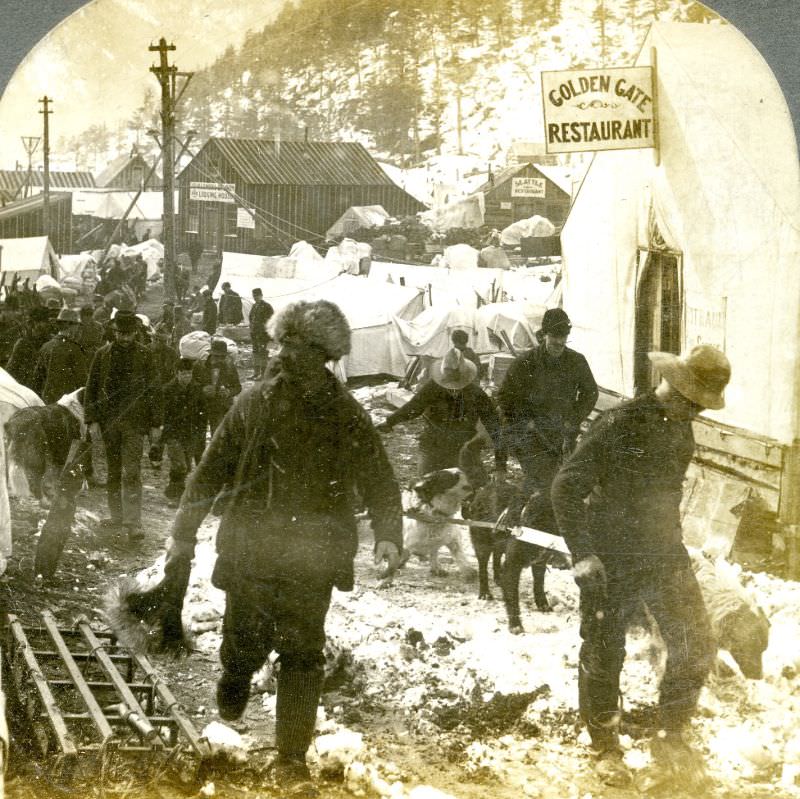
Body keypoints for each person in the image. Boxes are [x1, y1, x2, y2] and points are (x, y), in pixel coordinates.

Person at [160, 299, 402, 795]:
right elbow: (211, 469)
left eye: (300, 349)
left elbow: (379, 477)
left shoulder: (346, 413)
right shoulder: (253, 402)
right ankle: (230, 704)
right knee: (242, 645)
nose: (287, 357)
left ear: (325, 355)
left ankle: (290, 758)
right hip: (252, 548)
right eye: (284, 346)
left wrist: (388, 535)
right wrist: (183, 532)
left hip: (313, 556)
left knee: (301, 653)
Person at [550, 345, 732, 791]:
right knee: (604, 648)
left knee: (696, 642)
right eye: (689, 400)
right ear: (670, 383)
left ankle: (670, 736)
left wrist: (676, 551)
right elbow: (565, 487)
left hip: (664, 556)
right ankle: (604, 745)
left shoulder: (681, 432)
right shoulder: (619, 422)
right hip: (611, 558)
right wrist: (583, 553)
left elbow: (665, 500)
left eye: (700, 406)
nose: (693, 412)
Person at [497, 308, 598, 497]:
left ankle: (530, 512)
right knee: (545, 480)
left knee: (557, 480)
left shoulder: (576, 361)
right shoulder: (525, 362)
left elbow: (590, 393)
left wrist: (574, 419)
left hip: (561, 431)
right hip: (529, 434)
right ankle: (526, 516)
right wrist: (525, 420)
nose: (559, 342)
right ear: (544, 335)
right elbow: (504, 397)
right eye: (554, 336)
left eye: (564, 336)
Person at [84, 310, 162, 542]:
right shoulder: (102, 355)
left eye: (129, 334)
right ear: (114, 331)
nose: (125, 338)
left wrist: (156, 423)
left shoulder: (145, 355)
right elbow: (92, 388)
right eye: (121, 333)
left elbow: (155, 391)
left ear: (136, 332)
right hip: (109, 423)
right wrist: (92, 420)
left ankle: (133, 522)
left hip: (135, 424)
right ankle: (117, 516)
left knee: (132, 471)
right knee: (114, 472)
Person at [377, 347, 506, 477]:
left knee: (470, 487)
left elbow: (495, 427)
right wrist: (390, 422)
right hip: (433, 444)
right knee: (426, 486)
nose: (452, 389)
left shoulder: (476, 394)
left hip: (463, 446)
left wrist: (501, 466)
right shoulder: (432, 388)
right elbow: (413, 407)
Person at [161, 358, 206, 503]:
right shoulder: (167, 390)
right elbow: (163, 415)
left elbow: (202, 413)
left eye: (189, 374)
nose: (187, 377)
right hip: (173, 433)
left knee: (185, 466)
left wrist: (200, 433)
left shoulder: (197, 389)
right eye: (184, 374)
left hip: (191, 433)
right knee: (180, 465)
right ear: (177, 373)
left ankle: (172, 490)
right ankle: (175, 496)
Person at [31, 308, 89, 404]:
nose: (78, 328)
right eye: (77, 325)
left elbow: (37, 377)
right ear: (70, 325)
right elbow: (82, 380)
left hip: (47, 399)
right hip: (68, 402)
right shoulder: (74, 349)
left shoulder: (46, 346)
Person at [193, 339, 242, 433]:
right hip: (201, 404)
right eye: (216, 356)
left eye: (222, 357)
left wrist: (228, 392)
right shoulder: (199, 365)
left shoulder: (229, 366)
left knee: (219, 436)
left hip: (220, 406)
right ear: (211, 353)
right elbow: (191, 385)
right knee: (198, 437)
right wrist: (202, 390)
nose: (219, 359)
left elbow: (238, 387)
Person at [249, 287, 273, 380]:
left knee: (263, 354)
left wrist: (268, 335)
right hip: (254, 334)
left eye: (257, 296)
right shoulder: (254, 306)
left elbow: (271, 321)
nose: (255, 298)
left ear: (261, 296)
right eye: (254, 296)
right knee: (255, 353)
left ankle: (263, 375)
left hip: (263, 335)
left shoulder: (267, 306)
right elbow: (251, 318)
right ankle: (256, 373)